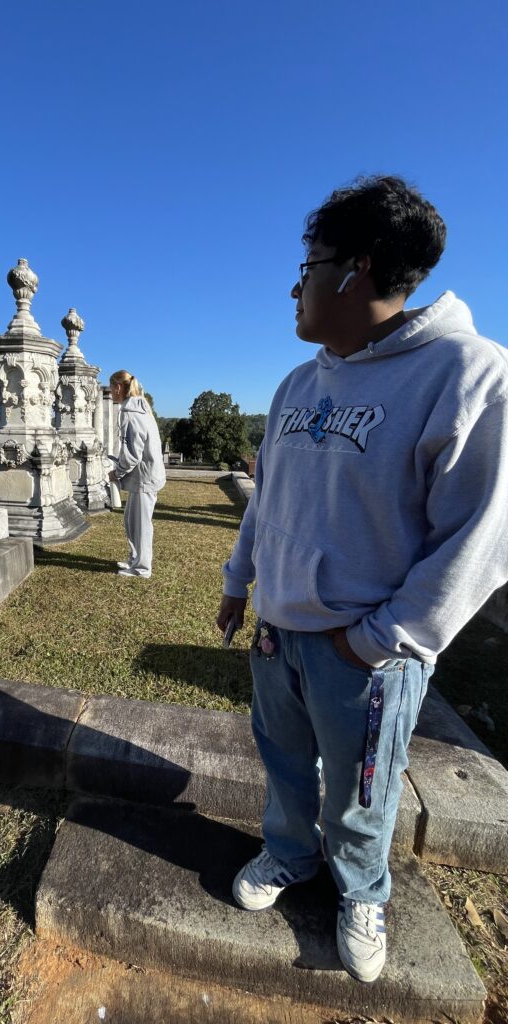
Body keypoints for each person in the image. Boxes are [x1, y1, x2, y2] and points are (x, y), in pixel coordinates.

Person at [217, 175, 508, 983]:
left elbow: (480, 540)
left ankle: (362, 890)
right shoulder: (298, 384)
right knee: (280, 758)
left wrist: (376, 642)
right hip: (281, 631)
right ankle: (288, 854)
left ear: (357, 270)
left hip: (370, 650)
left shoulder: (469, 374)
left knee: (362, 789)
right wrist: (241, 580)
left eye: (307, 265)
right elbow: (269, 496)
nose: (295, 286)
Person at [108, 370, 166, 578]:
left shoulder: (131, 413)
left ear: (118, 387)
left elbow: (133, 453)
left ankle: (142, 568)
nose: (110, 392)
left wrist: (117, 472)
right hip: (143, 476)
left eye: (111, 387)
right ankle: (135, 559)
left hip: (144, 478)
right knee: (131, 521)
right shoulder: (139, 407)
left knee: (141, 525)